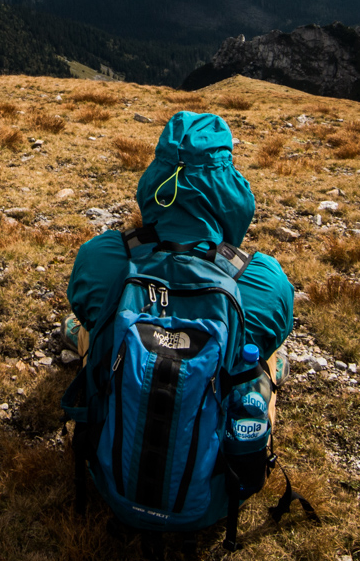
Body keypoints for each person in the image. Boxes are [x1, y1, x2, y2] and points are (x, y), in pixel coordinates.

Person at [64, 109, 294, 402]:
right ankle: (272, 368)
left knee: (97, 323)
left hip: (113, 437)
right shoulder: (265, 281)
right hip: (209, 437)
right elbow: (274, 317)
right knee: (261, 345)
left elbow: (85, 300)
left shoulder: (99, 257)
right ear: (228, 189)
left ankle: (82, 340)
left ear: (155, 180)